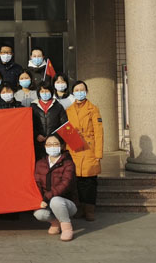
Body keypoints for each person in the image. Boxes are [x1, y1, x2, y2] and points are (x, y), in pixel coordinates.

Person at [66, 80, 103, 222]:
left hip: (89, 148)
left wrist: (98, 153)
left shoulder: (93, 109)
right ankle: (80, 208)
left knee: (89, 181)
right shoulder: (69, 110)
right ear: (72, 92)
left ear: (86, 92)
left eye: (82, 90)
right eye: (76, 90)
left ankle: (90, 210)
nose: (79, 92)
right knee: (77, 181)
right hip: (74, 148)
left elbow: (99, 132)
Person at [33, 134, 79, 242]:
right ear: (45, 146)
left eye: (55, 144)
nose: (52, 147)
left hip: (66, 203)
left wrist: (46, 198)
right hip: (48, 202)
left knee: (56, 201)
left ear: (62, 146)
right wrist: (38, 199)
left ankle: (66, 228)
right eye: (49, 144)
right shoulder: (40, 164)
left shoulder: (68, 164)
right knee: (38, 213)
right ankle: (55, 223)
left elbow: (65, 184)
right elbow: (37, 183)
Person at [31, 81, 68, 160]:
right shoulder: (33, 107)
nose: (45, 93)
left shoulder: (58, 106)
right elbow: (30, 124)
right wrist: (36, 135)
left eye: (47, 91)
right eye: (42, 91)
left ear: (51, 91)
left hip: (54, 144)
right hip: (38, 144)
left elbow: (64, 124)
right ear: (38, 93)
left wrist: (54, 137)